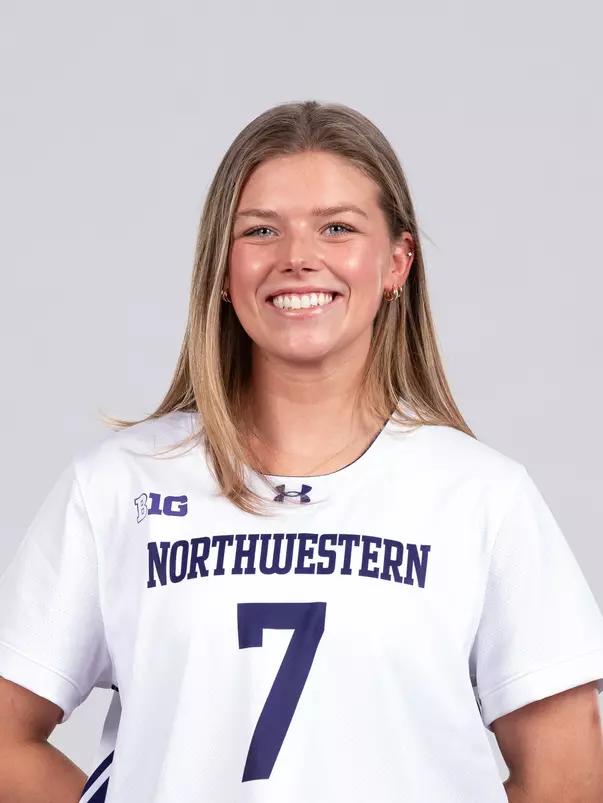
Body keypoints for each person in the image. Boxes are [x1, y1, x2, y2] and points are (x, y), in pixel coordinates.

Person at [0, 100, 602, 803]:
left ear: (396, 261)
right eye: (260, 230)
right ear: (222, 269)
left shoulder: (481, 497)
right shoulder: (116, 486)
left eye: (337, 228)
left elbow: (567, 766)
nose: (297, 259)